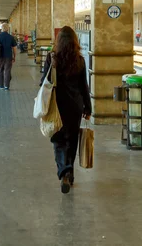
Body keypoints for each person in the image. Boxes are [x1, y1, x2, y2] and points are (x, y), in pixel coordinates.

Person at [40, 26, 92, 194]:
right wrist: (88, 107)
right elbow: (84, 86)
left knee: (58, 141)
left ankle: (64, 171)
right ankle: (70, 174)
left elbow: (44, 82)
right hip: (75, 107)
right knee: (72, 141)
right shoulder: (80, 60)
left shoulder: (52, 58)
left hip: (57, 106)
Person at [0, 23, 17, 90]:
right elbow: (14, 48)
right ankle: (6, 86)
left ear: (2, 28)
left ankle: (1, 86)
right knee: (7, 70)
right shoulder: (11, 37)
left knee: (0, 70)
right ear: (8, 29)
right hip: (8, 56)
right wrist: (14, 56)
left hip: (0, 56)